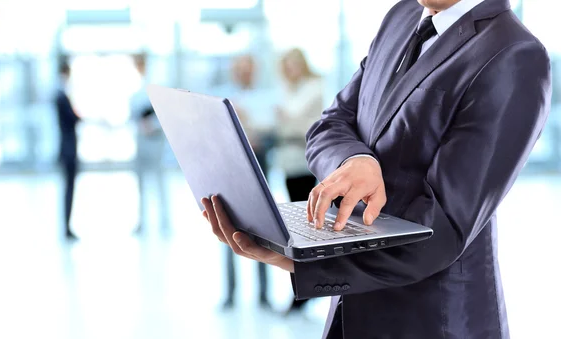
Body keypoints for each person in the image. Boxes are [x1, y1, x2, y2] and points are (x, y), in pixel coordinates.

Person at [201, 0, 551, 338]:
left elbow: (441, 230)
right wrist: (356, 160)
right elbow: (330, 125)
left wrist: (303, 263)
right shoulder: (401, 16)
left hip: (432, 321)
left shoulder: (514, 55)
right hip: (350, 312)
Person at [217, 54, 275, 310]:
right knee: (228, 228)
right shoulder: (222, 97)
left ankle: (263, 295)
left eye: (247, 69)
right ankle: (230, 294)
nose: (243, 73)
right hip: (230, 166)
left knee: (263, 231)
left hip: (259, 164)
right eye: (239, 69)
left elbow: (271, 132)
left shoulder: (265, 97)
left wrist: (251, 126)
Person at [274, 48, 324, 314]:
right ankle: (303, 289)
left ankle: (306, 290)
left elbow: (297, 121)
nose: (291, 69)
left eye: (294, 63)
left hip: (304, 163)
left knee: (305, 228)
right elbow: (283, 122)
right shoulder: (287, 89)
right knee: (295, 227)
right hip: (288, 162)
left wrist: (286, 119)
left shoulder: (313, 87)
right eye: (287, 64)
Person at [130, 53, 166, 234]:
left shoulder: (156, 87)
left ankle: (164, 222)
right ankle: (142, 222)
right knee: (141, 185)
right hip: (141, 141)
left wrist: (151, 125)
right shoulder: (136, 91)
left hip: (155, 141)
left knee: (159, 183)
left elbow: (164, 115)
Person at [55, 59, 81, 241]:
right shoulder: (61, 97)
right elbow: (72, 119)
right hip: (68, 150)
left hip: (67, 149)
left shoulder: (61, 96)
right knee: (68, 188)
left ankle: (67, 226)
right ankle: (66, 227)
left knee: (69, 188)